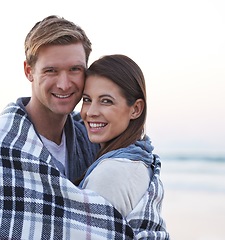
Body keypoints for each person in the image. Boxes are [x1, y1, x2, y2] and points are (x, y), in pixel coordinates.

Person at [0, 15, 136, 240]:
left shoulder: (91, 140)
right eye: (51, 70)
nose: (64, 84)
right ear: (29, 71)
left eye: (74, 69)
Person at [78, 54, 169, 238]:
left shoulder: (112, 172)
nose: (91, 112)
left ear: (135, 109)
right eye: (87, 99)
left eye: (106, 101)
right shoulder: (139, 158)